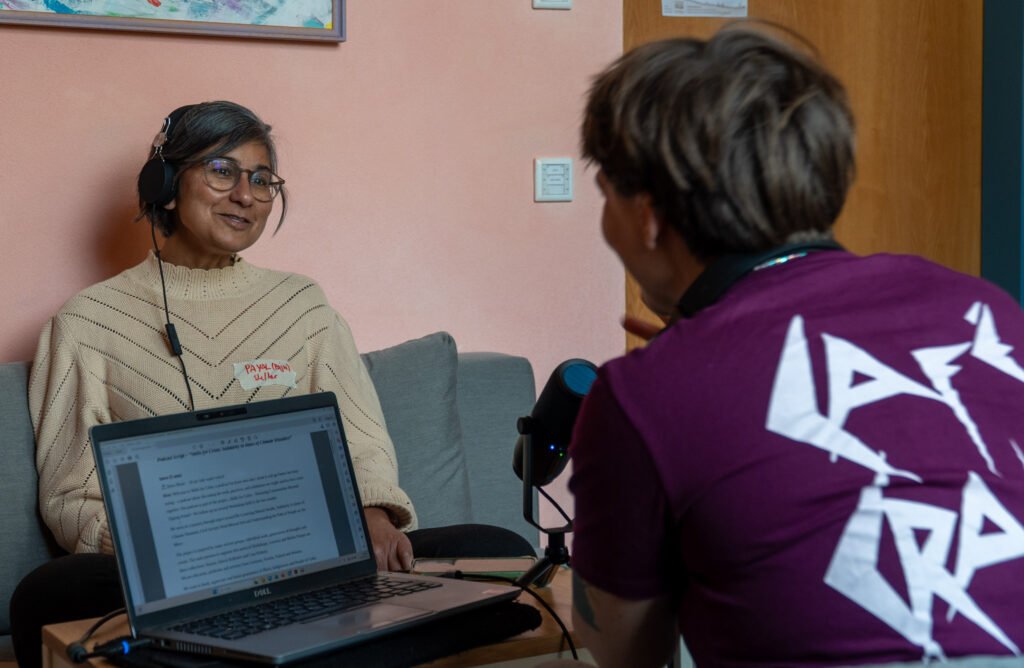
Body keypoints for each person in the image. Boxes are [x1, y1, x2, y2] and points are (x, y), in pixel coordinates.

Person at [11, 101, 530, 668]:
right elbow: (70, 495)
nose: (246, 195)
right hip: (179, 576)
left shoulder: (302, 306)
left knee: (495, 549)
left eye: (262, 179)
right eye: (222, 171)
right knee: (50, 592)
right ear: (164, 183)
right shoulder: (89, 321)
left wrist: (373, 516)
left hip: (312, 559)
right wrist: (182, 550)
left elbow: (361, 440)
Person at [567, 24, 1024, 667]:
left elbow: (624, 652)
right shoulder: (988, 311)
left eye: (605, 193)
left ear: (647, 215)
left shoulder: (641, 394)